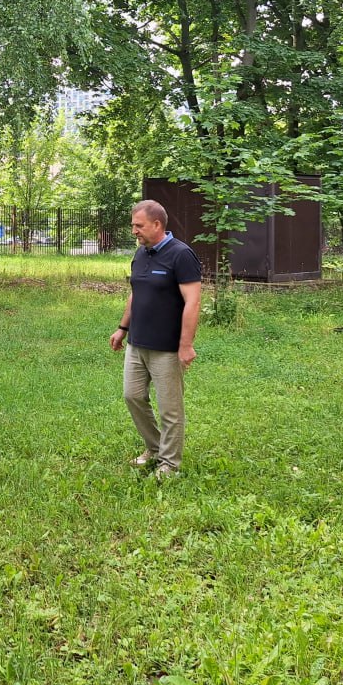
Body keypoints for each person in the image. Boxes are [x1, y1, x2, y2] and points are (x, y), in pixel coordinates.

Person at [109, 200, 202, 479]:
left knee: (170, 409)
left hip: (167, 347)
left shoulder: (181, 255)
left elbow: (193, 302)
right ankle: (155, 447)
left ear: (157, 224)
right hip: (137, 342)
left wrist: (185, 345)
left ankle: (169, 464)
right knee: (132, 396)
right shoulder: (141, 254)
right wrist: (122, 328)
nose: (134, 231)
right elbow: (135, 293)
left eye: (139, 225)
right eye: (133, 225)